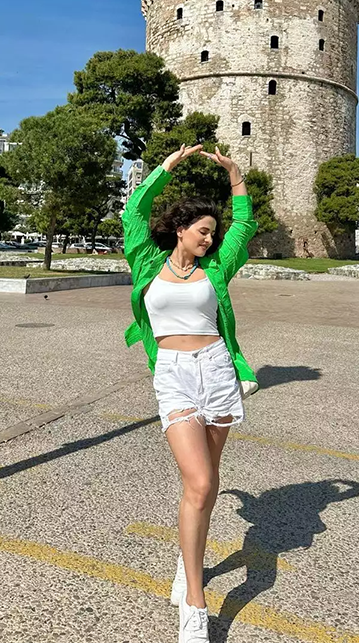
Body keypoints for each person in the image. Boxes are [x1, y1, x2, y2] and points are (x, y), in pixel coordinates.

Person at [121, 143, 259, 642]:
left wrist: (235, 175)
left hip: (217, 370)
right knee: (199, 481)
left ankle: (188, 558)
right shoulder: (145, 259)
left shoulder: (217, 266)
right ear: (180, 228)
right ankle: (195, 606)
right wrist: (166, 168)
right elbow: (133, 212)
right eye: (203, 230)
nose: (210, 238)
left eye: (213, 233)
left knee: (206, 480)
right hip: (173, 375)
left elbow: (245, 225)